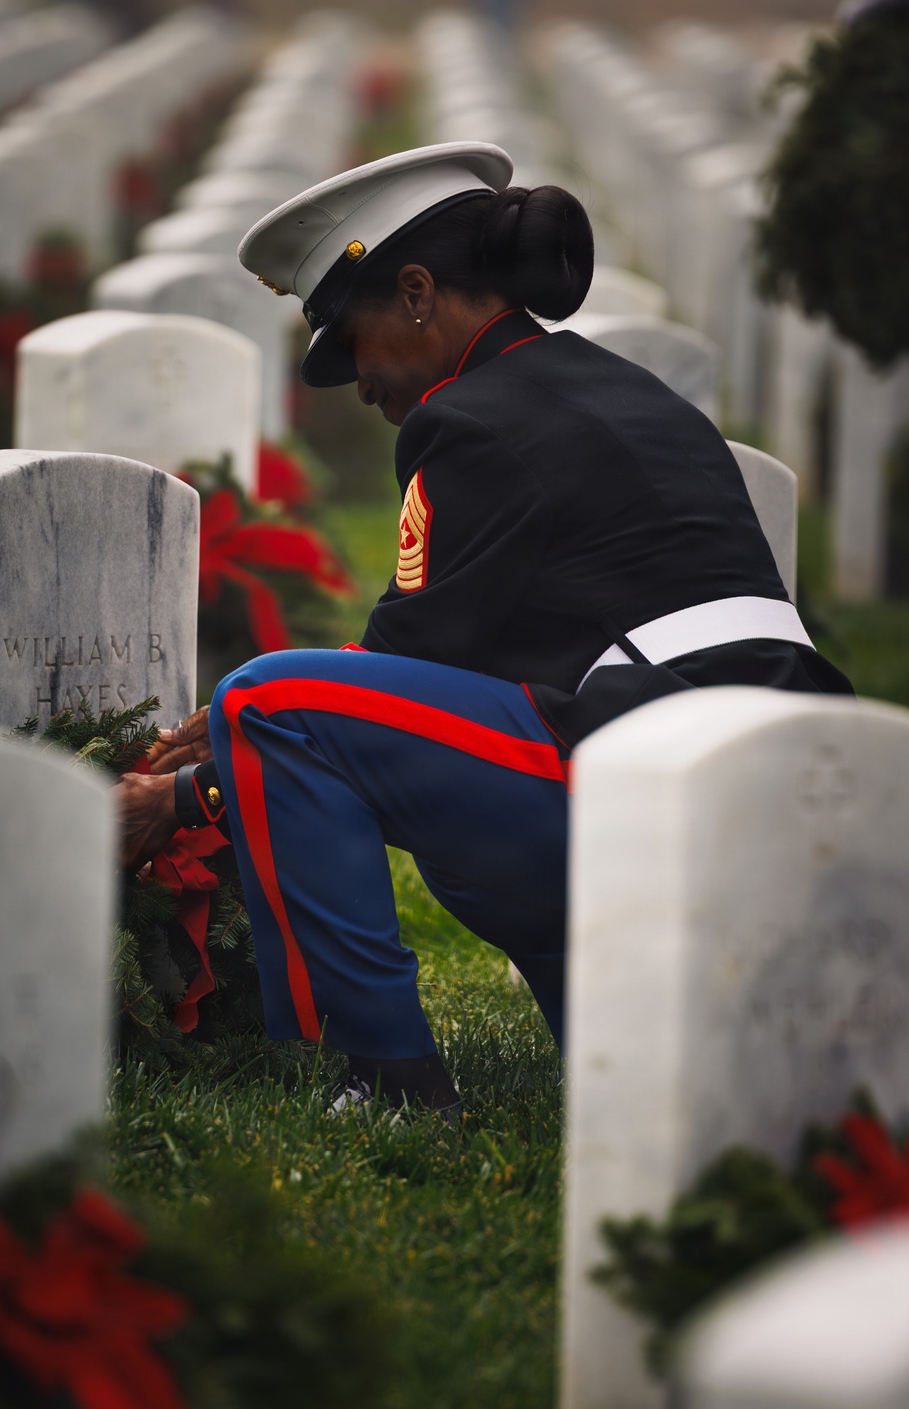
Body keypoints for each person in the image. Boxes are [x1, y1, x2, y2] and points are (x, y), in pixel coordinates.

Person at [119, 142, 853, 1115]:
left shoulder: (468, 417)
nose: (360, 383)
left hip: (663, 769)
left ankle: (386, 1080)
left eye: (353, 338)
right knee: (448, 841)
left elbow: (402, 669)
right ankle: (629, 1045)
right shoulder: (617, 389)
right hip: (793, 768)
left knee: (268, 698)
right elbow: (478, 663)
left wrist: (189, 789)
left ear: (417, 290)